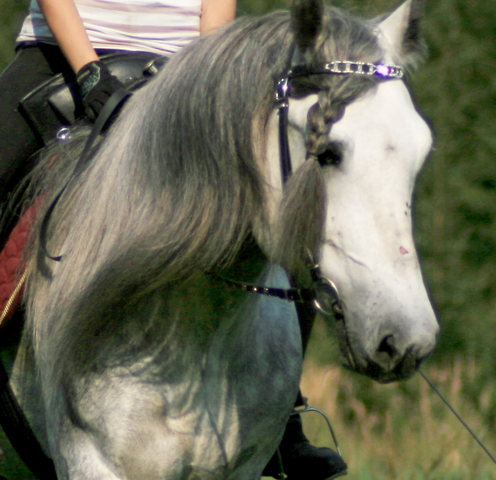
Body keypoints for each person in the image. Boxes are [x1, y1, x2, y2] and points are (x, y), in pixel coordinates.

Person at [0, 1, 347, 478]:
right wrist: (88, 72)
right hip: (59, 53)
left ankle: (284, 416)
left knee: (274, 203)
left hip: (182, 66)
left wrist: (206, 76)